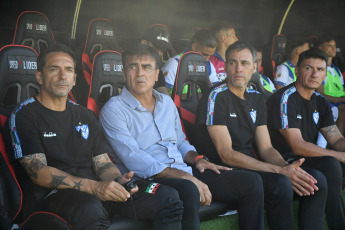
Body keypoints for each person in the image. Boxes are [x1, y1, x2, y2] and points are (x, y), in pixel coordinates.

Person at [5, 44, 185, 230]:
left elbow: (102, 163)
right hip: (53, 197)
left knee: (166, 196)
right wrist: (93, 187)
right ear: (39, 77)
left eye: (68, 70)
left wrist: (118, 180)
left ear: (75, 79)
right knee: (91, 209)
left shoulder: (85, 115)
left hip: (96, 191)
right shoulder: (24, 115)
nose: (62, 76)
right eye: (54, 69)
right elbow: (38, 172)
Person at [99, 43, 265, 230]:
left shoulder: (166, 103)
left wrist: (198, 159)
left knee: (250, 182)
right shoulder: (114, 109)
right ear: (124, 74)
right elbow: (134, 158)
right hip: (147, 180)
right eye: (132, 67)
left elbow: (180, 142)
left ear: (156, 75)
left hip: (181, 170)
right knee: (188, 189)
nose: (139, 73)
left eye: (146, 67)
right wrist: (186, 178)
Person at [195, 41, 327, 230]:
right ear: (225, 66)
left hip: (248, 167)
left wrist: (288, 168)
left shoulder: (256, 97)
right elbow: (226, 154)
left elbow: (266, 147)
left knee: (315, 179)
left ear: (254, 67)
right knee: (273, 181)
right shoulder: (216, 96)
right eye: (232, 62)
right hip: (218, 170)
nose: (238, 69)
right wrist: (279, 171)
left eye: (245, 63)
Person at [267, 47, 345, 230]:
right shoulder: (285, 98)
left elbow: (336, 139)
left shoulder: (319, 100)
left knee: (331, 165)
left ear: (325, 72)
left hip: (305, 160)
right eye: (308, 68)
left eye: (320, 69)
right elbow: (297, 146)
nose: (314, 74)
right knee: (332, 164)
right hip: (281, 160)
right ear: (297, 70)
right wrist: (339, 156)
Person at [162, 28, 219, 94]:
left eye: (210, 55)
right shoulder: (175, 63)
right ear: (194, 46)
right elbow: (162, 93)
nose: (207, 59)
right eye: (205, 54)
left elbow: (215, 90)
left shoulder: (209, 65)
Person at [317, 37, 345, 137]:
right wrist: (340, 100)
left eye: (334, 46)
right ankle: (337, 146)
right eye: (330, 46)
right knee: (342, 113)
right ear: (320, 48)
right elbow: (320, 93)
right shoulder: (319, 69)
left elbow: (342, 90)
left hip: (339, 101)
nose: (334, 48)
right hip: (328, 102)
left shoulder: (337, 70)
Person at [141, 24, 174, 95]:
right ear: (144, 43)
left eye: (161, 50)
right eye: (155, 48)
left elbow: (162, 90)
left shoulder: (156, 69)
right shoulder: (128, 65)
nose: (158, 53)